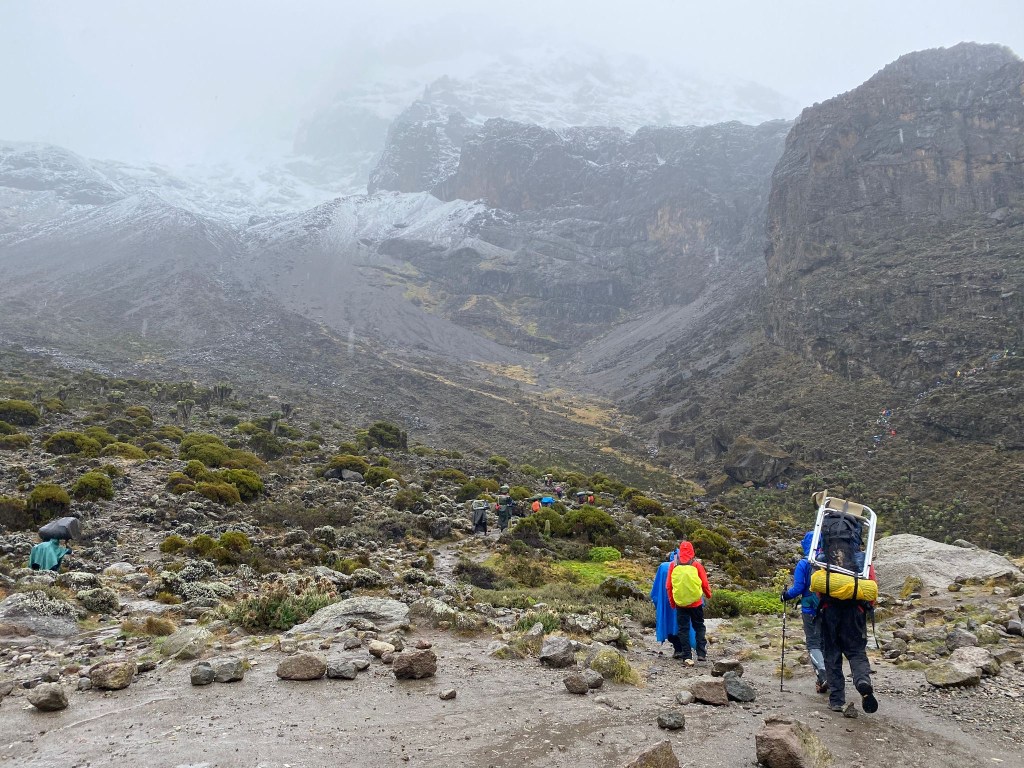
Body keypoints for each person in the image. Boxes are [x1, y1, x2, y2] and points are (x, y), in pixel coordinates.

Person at [781, 531, 827, 693]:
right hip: (829, 609)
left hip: (810, 610)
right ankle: (830, 678)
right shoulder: (830, 561)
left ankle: (823, 674)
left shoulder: (804, 564)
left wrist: (785, 595)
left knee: (814, 643)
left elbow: (798, 588)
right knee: (826, 643)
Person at [666, 541, 712, 665]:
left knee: (683, 629)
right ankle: (701, 653)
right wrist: (708, 595)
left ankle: (687, 656)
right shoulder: (696, 565)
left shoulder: (673, 565)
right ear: (692, 551)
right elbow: (705, 583)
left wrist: (672, 602)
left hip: (680, 604)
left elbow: (668, 586)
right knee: (699, 626)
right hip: (696, 603)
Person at [650, 555, 683, 658]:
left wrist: (657, 602)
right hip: (682, 600)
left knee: (668, 623)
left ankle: (678, 649)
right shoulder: (687, 567)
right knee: (682, 624)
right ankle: (682, 649)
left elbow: (655, 591)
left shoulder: (663, 567)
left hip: (666, 600)